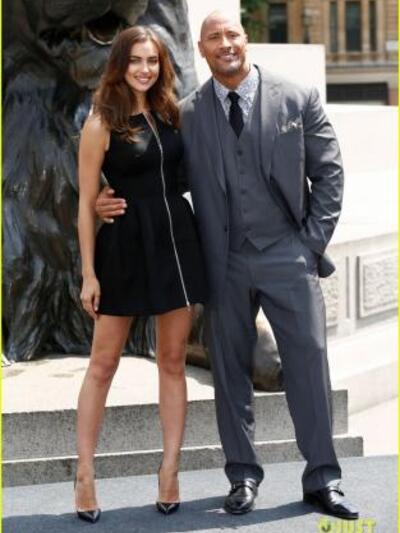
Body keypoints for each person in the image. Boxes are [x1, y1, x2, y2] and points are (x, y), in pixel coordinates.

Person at [95, 12, 359, 520]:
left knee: (308, 364)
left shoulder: (297, 98)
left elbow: (330, 174)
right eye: (213, 37)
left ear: (246, 38)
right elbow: (155, 174)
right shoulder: (185, 115)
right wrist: (102, 198)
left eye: (231, 34)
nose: (225, 43)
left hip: (288, 253)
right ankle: (242, 476)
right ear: (201, 48)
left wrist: (309, 245)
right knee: (229, 371)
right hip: (222, 261)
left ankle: (323, 479)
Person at [76, 26, 207, 523]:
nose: (145, 69)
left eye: (152, 60)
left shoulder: (171, 112)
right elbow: (86, 205)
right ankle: (85, 473)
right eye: (135, 60)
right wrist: (89, 274)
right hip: (125, 248)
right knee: (103, 364)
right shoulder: (100, 122)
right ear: (119, 64)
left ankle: (169, 469)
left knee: (172, 360)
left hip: (176, 244)